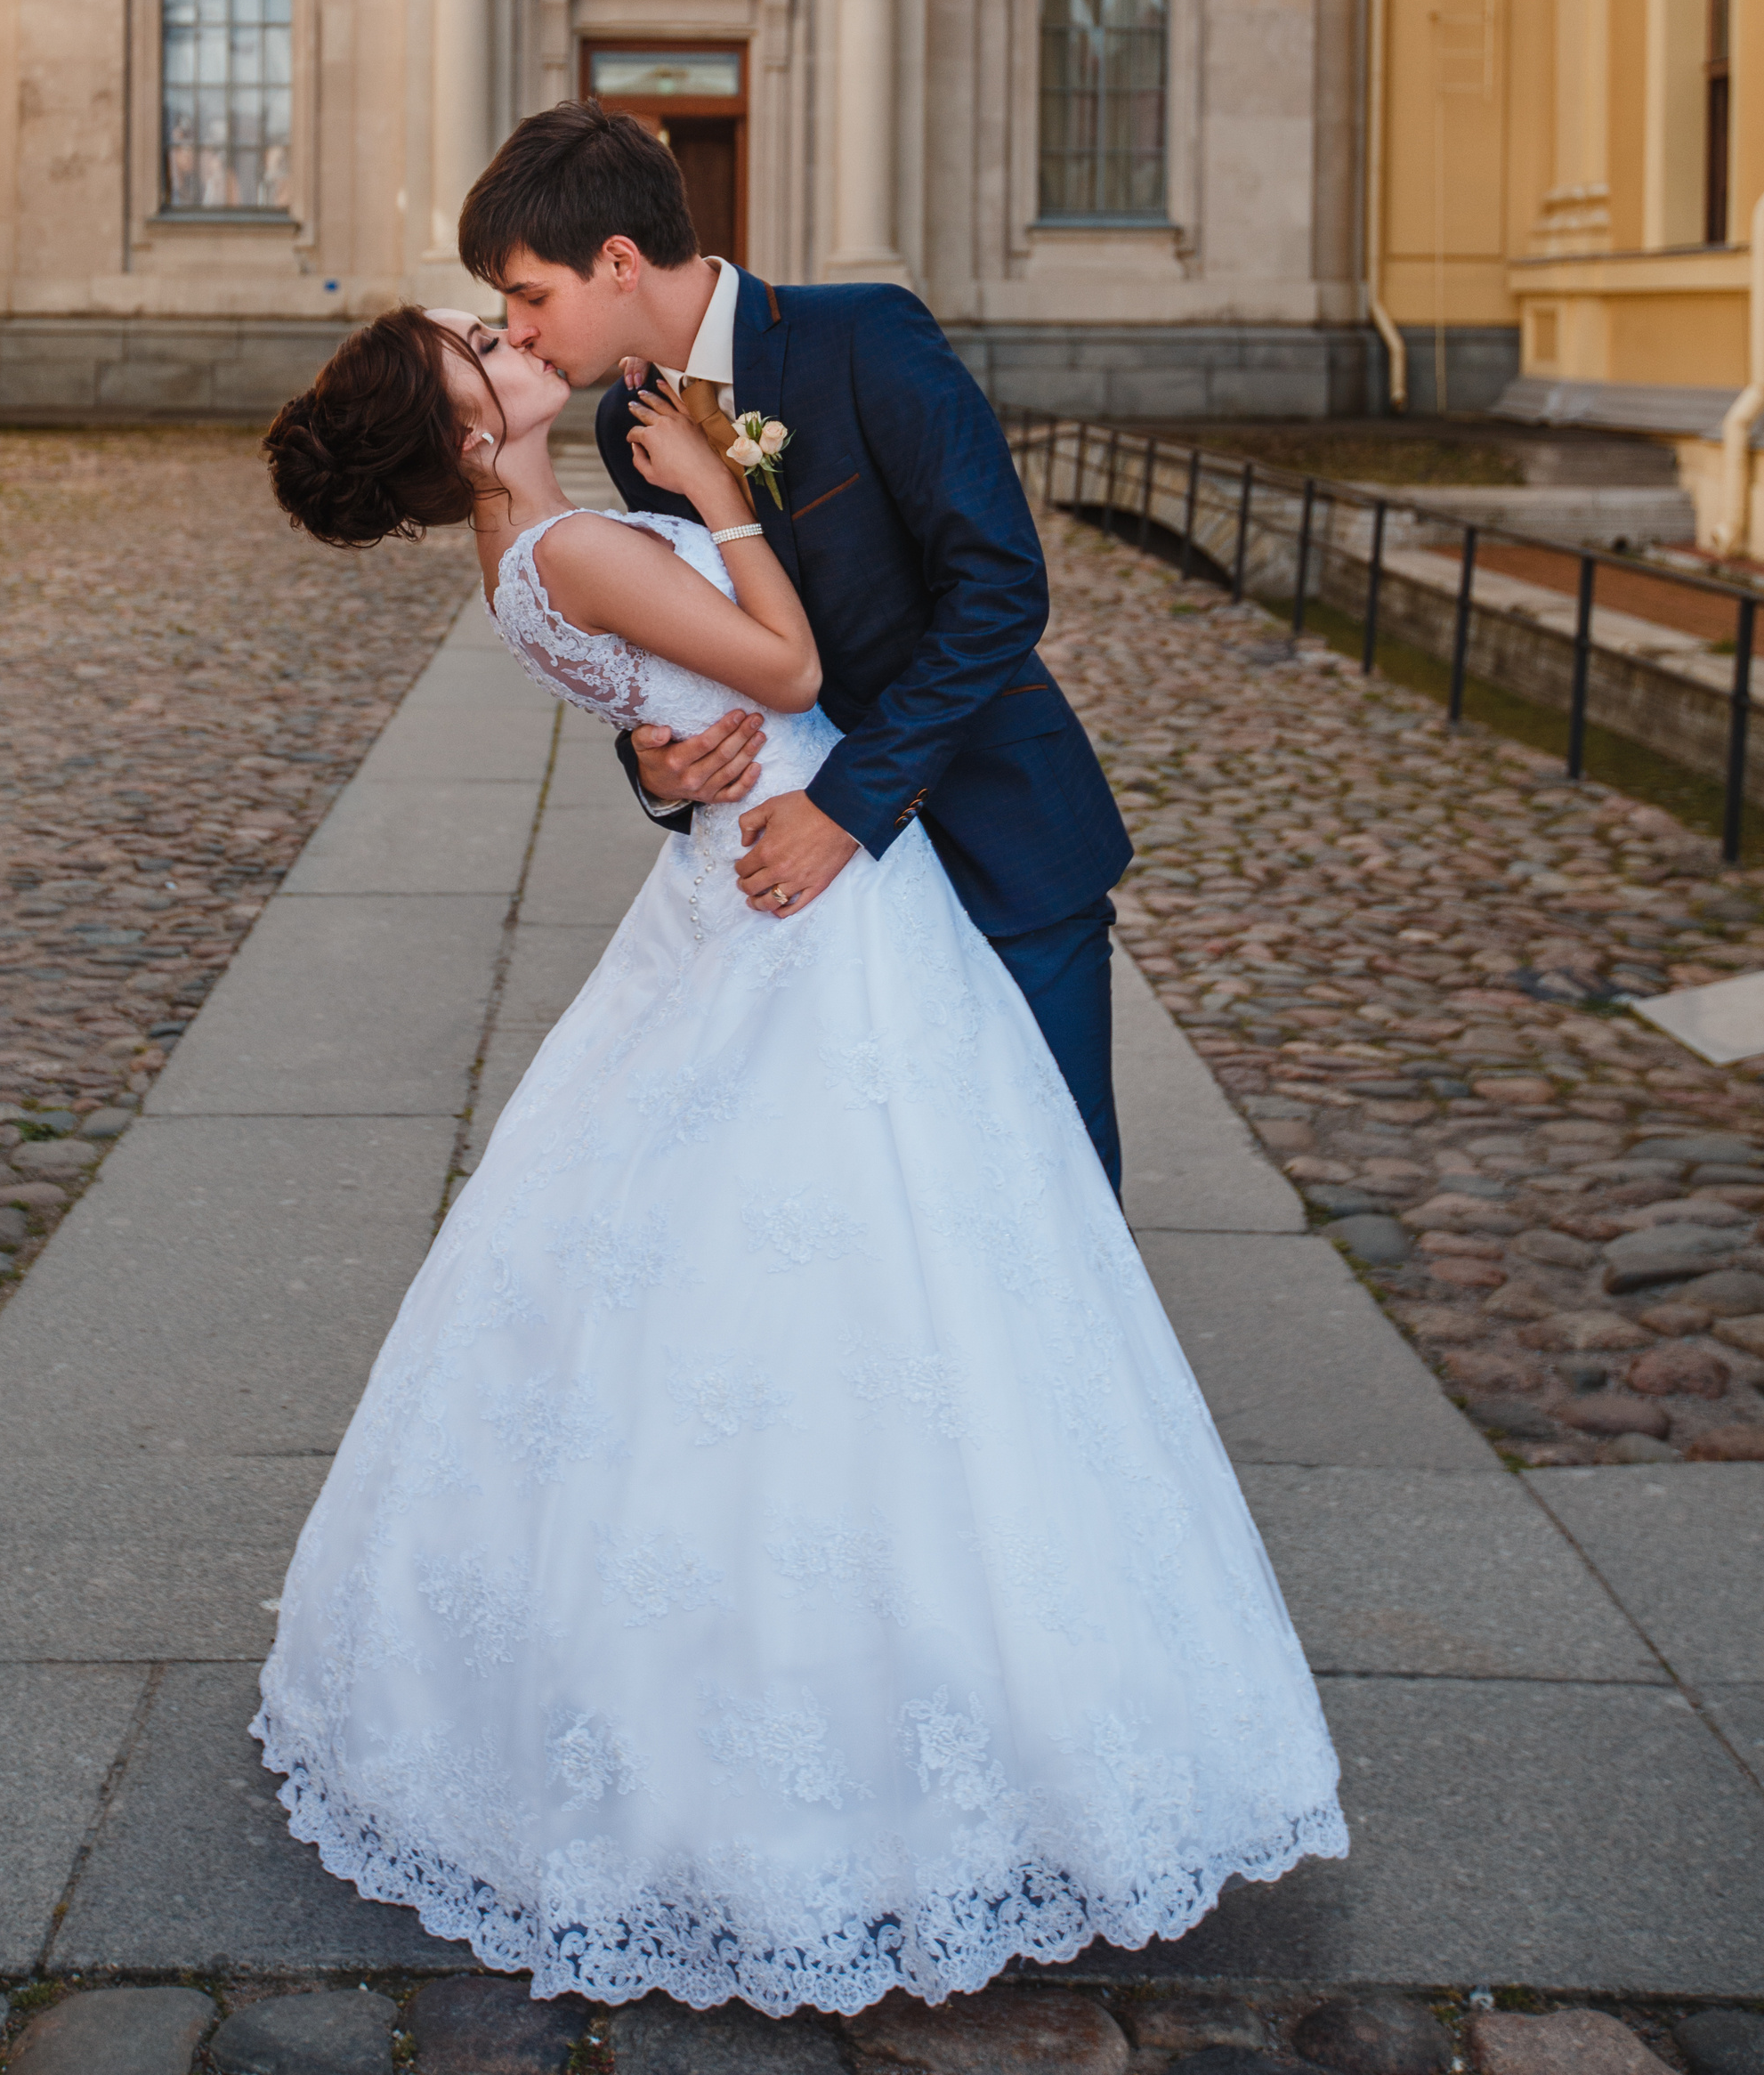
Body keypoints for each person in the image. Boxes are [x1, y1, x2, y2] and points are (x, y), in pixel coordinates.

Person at [251, 296, 1346, 2014]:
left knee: (827, 1263)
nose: (502, 330)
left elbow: (690, 694)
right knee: (894, 1259)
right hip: (805, 885)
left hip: (757, 863)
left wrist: (664, 714)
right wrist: (728, 497)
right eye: (481, 343)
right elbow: (789, 670)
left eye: (504, 308)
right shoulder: (567, 536)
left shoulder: (529, 542)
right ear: (470, 429)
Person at [458, 102, 1131, 1188]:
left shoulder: (864, 334)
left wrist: (847, 807)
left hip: (993, 840)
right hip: (823, 923)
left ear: (618, 261)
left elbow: (999, 587)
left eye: (530, 294)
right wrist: (653, 761)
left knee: (1050, 1200)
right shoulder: (624, 436)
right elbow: (701, 643)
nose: (519, 328)